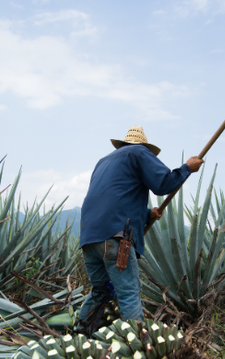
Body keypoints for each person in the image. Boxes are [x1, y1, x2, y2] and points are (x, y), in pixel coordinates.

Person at [75, 126, 204, 335]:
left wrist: (147, 215)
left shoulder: (103, 162)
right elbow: (163, 183)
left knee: (100, 292)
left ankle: (78, 336)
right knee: (128, 293)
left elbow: (113, 200)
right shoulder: (139, 152)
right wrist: (187, 168)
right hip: (116, 239)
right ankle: (136, 346)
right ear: (143, 147)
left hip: (90, 239)